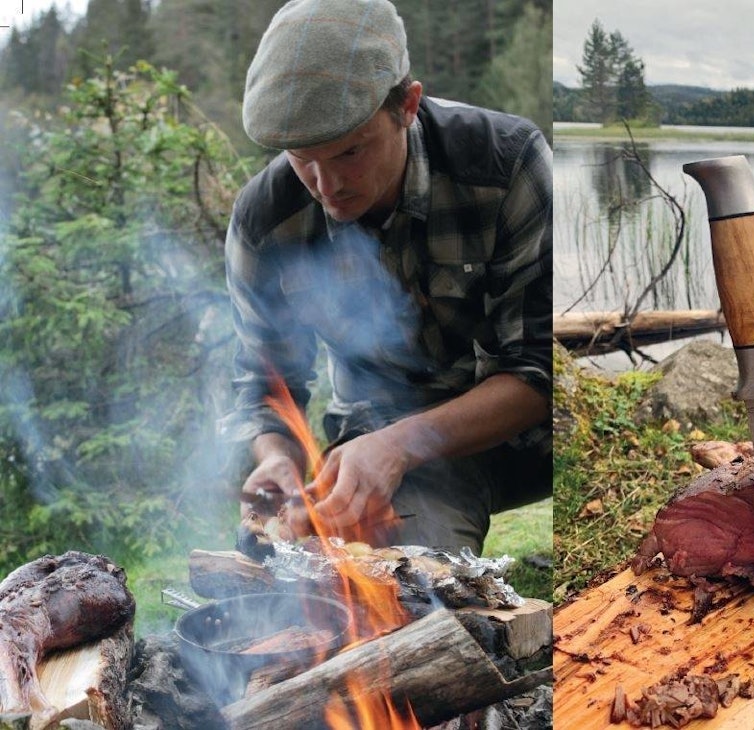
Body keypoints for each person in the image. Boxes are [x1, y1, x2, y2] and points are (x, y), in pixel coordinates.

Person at [219, 0, 552, 554]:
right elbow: (263, 384)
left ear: (408, 106)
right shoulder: (265, 220)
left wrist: (402, 444)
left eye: (350, 151)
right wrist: (278, 456)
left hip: (530, 438)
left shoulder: (504, 165)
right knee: (390, 584)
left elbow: (539, 369)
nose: (327, 185)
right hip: (377, 438)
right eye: (303, 158)